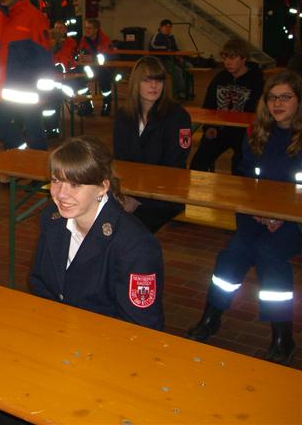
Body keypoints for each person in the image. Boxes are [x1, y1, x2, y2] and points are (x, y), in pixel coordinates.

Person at [0, 135, 164, 425]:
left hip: (106, 358)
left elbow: (140, 332)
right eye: (56, 180)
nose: (61, 194)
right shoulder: (53, 219)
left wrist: (74, 353)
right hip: (57, 341)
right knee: (3, 404)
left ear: (102, 187)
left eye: (76, 184)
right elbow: (41, 284)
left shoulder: (134, 245)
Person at [187, 70, 301, 365]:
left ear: (299, 101)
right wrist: (258, 211)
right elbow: (245, 179)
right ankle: (211, 316)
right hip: (255, 214)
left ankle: (282, 336)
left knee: (269, 253)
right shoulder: (256, 134)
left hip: (295, 221)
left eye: (286, 97)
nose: (278, 104)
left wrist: (282, 215)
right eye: (272, 98)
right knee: (234, 252)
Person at [113, 56, 192, 233]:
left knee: (127, 228)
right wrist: (124, 194)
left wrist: (139, 200)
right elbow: (120, 161)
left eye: (158, 80)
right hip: (130, 193)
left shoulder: (178, 117)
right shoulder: (123, 116)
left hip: (163, 197)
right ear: (135, 83)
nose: (154, 86)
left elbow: (174, 167)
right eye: (147, 80)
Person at [0, 0, 53, 151]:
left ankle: (39, 166)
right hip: (4, 87)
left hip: (28, 87)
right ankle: (20, 155)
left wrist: (44, 91)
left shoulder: (34, 17)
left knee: (34, 130)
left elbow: (44, 56)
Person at [189, 38, 264, 175]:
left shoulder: (256, 81)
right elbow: (208, 106)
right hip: (219, 129)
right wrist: (209, 127)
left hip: (244, 132)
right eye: (224, 58)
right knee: (198, 163)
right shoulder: (220, 78)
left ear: (243, 58)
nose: (227, 62)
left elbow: (258, 112)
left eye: (232, 58)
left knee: (241, 166)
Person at [77, 18, 114, 116]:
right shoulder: (84, 39)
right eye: (85, 28)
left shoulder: (104, 39)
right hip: (90, 69)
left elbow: (107, 57)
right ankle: (86, 105)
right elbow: (81, 52)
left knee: (104, 77)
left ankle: (107, 103)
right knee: (78, 76)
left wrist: (92, 58)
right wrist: (81, 57)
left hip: (104, 68)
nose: (86, 30)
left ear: (96, 29)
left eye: (89, 28)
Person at [149, 18, 189, 99]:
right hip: (160, 60)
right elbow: (153, 46)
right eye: (166, 26)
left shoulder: (171, 37)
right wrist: (166, 49)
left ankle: (188, 90)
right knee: (177, 71)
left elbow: (175, 49)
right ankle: (179, 92)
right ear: (161, 27)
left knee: (188, 66)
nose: (168, 28)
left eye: (170, 27)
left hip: (171, 59)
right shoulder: (157, 36)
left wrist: (179, 55)